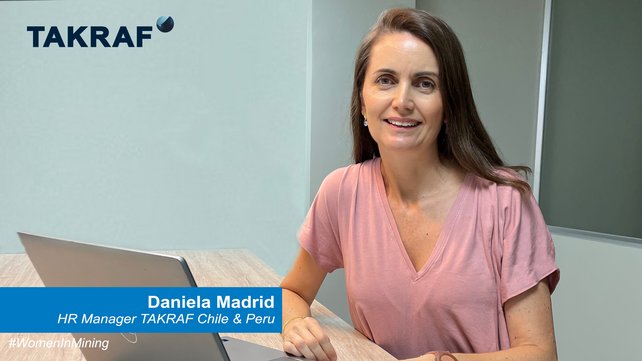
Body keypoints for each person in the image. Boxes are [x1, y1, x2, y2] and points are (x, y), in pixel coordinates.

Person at [280, 8, 560, 361]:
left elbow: (540, 354)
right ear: (363, 101)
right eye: (385, 80)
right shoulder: (342, 191)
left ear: (448, 106)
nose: (402, 101)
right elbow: (291, 291)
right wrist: (295, 324)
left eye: (424, 84)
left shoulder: (505, 201)